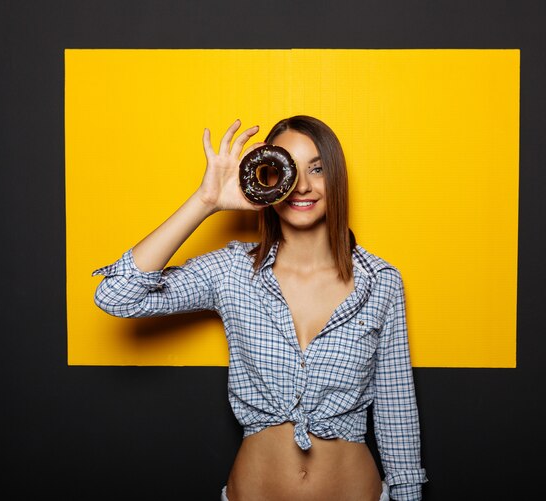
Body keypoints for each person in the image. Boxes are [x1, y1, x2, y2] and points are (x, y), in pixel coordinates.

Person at [92, 116, 428, 500]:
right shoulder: (232, 271)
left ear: (337, 177)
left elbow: (396, 408)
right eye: (286, 169)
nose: (303, 185)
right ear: (267, 180)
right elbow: (117, 295)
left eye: (317, 169)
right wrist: (205, 202)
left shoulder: (380, 281)